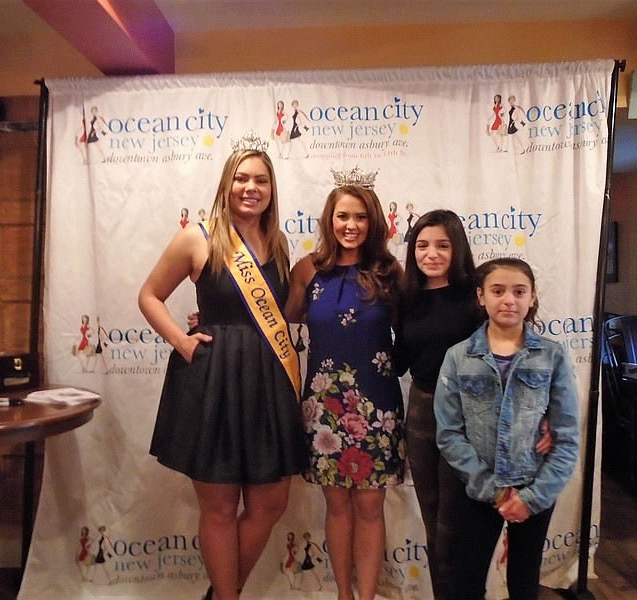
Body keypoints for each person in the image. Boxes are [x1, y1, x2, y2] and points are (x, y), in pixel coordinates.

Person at [138, 131, 307, 600]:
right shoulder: (198, 236)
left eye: (261, 181)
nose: (250, 188)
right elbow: (149, 295)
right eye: (241, 178)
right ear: (226, 184)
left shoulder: (278, 243)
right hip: (213, 379)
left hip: (267, 378)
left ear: (272, 191)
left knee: (270, 502)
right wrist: (182, 341)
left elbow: (276, 311)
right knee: (218, 504)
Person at [395, 212, 552, 599]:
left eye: (443, 245)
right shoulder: (407, 297)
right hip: (420, 408)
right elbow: (399, 360)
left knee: (456, 523)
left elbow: (516, 351)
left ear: (458, 248)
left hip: (471, 413)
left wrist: (541, 412)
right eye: (422, 245)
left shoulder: (475, 296)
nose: (431, 254)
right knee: (432, 519)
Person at [285, 167, 404, 600]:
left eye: (359, 217)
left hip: (377, 405)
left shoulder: (389, 273)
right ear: (328, 220)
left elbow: (418, 329)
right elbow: (273, 322)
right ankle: (343, 595)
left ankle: (367, 597)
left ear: (372, 222)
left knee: (370, 506)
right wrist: (213, 322)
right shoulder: (307, 271)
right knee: (336, 505)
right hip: (324, 407)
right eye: (341, 216)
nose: (350, 225)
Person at [434, 257, 580, 600]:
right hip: (479, 488)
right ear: (481, 296)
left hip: (534, 487)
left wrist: (533, 497)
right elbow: (449, 433)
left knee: (524, 582)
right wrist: (494, 491)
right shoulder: (458, 357)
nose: (509, 300)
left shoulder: (552, 356)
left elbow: (567, 437)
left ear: (532, 298)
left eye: (519, 291)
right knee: (466, 580)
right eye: (498, 291)